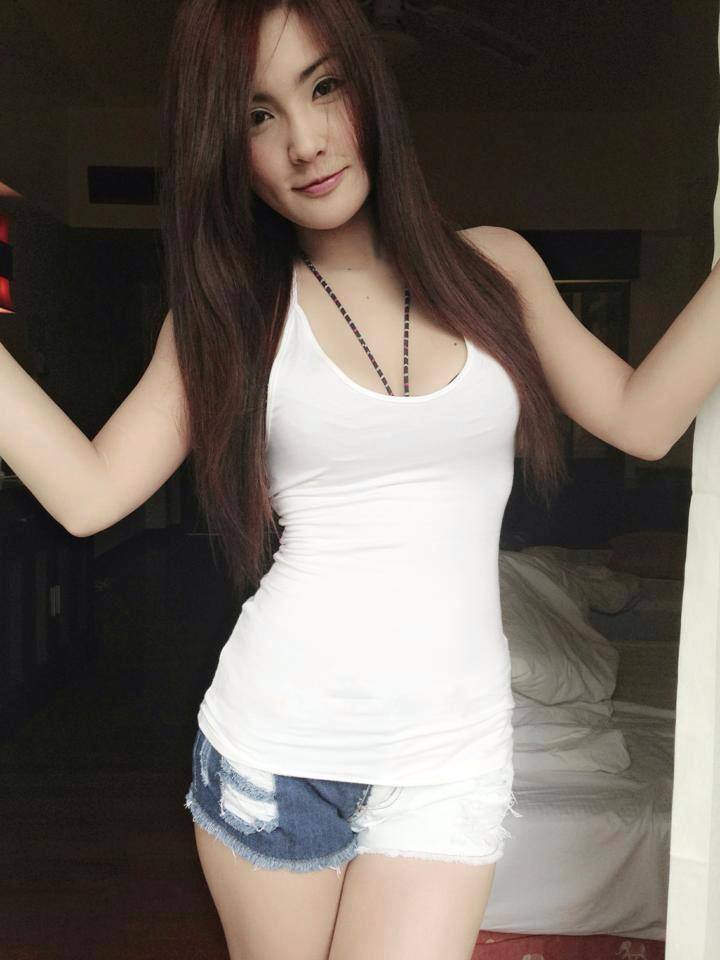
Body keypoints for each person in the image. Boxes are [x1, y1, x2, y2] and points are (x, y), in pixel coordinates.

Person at [7, 1, 719, 958]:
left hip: (451, 754)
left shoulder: (495, 267)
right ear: (227, 148)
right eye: (258, 116)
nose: (304, 142)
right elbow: (91, 493)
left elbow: (644, 417)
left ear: (368, 89)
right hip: (278, 745)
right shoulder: (230, 312)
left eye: (324, 87)